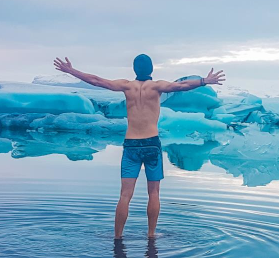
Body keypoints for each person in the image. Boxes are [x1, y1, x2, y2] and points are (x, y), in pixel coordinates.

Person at [53, 54, 225, 239]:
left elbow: (97, 81)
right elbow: (182, 86)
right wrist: (204, 81)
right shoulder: (157, 86)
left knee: (125, 195)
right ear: (151, 69)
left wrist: (70, 70)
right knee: (154, 193)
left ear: (135, 70)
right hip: (151, 143)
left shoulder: (127, 86)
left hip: (131, 145)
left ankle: (117, 237)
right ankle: (151, 234)